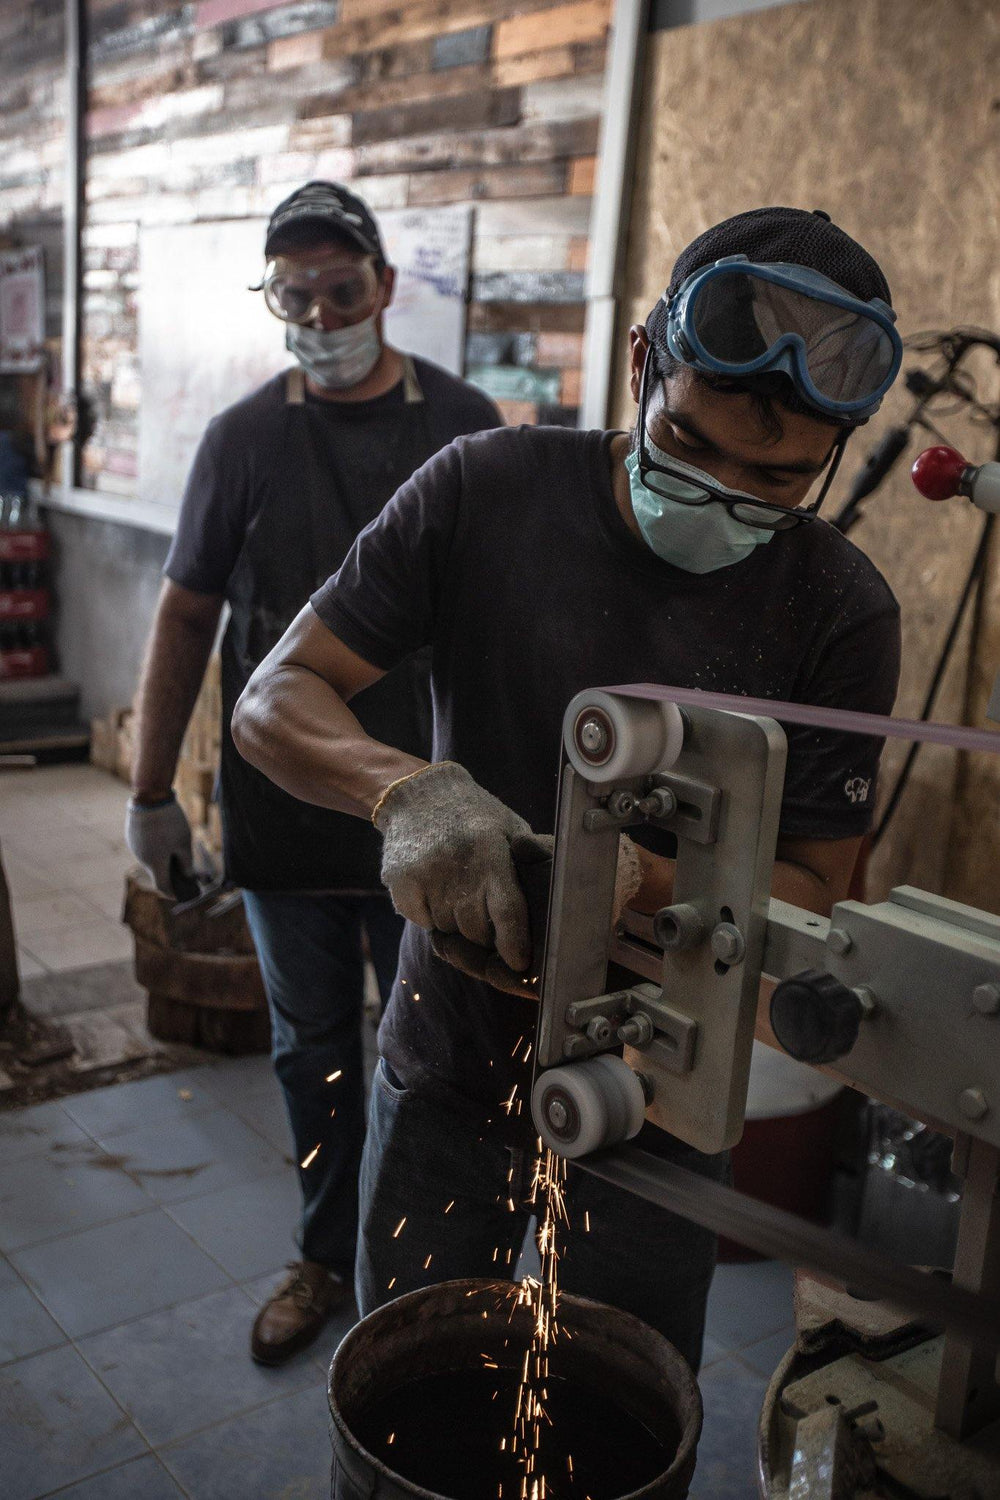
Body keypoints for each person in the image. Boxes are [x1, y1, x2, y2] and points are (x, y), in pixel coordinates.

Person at [231, 207, 903, 1372]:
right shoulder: (486, 490)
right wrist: (409, 794)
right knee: (413, 1395)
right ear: (644, 363)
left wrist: (623, 880)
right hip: (450, 1058)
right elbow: (274, 702)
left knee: (614, 1417)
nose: (723, 496)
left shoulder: (839, 609)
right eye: (689, 447)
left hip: (663, 1096)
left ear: (831, 457)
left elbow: (808, 889)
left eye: (776, 480)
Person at [124, 181, 502, 1364]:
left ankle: (420, 1263)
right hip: (285, 812)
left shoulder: (466, 426)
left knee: (434, 1045)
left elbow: (502, 627)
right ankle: (323, 1252)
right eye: (297, 295)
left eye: (343, 291)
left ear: (385, 289)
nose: (323, 315)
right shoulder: (243, 439)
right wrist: (148, 797)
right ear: (272, 300)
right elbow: (185, 618)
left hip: (427, 812)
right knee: (311, 1049)